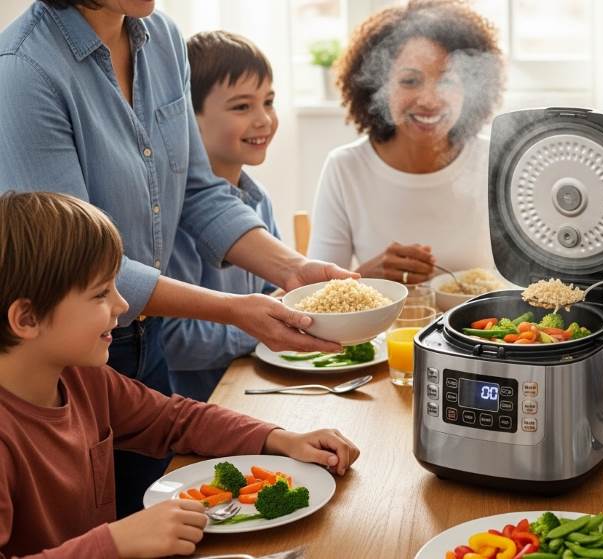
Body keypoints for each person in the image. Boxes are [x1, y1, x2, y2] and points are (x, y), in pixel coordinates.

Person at [0, 0, 357, 515]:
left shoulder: (160, 34)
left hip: (146, 337)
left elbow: (195, 190)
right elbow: (69, 259)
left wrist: (293, 269)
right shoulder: (23, 70)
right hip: (82, 340)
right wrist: (235, 310)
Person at [0, 191, 360, 559]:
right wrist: (117, 542)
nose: (124, 306)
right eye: (100, 295)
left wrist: (279, 439)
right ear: (27, 319)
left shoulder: (83, 378)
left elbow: (175, 419)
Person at [307, 0, 505, 285]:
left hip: (479, 328)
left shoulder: (496, 161)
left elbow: (528, 280)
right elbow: (316, 296)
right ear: (379, 87)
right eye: (410, 81)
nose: (428, 100)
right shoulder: (346, 168)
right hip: (386, 330)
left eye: (447, 81)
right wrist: (364, 277)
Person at [161, 31, 281, 402]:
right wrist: (260, 329)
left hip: (253, 391)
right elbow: (174, 342)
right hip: (199, 406)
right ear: (189, 120)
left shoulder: (258, 201)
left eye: (269, 101)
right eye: (242, 107)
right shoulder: (177, 218)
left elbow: (272, 295)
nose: (263, 119)